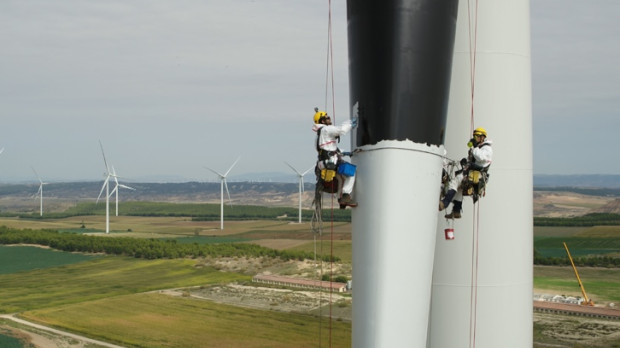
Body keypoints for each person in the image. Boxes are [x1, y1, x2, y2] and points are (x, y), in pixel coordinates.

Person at [312, 108, 358, 207]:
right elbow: (341, 130)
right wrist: (351, 122)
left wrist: (343, 152)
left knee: (340, 178)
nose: (330, 119)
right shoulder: (326, 129)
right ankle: (345, 196)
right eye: (327, 118)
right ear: (323, 121)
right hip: (330, 162)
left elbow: (327, 149)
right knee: (351, 173)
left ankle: (340, 200)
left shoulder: (319, 135)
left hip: (324, 163)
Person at [444, 127, 493, 219]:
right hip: (472, 172)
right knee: (458, 188)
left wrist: (474, 147)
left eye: (476, 136)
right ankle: (456, 211)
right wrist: (465, 161)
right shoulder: (478, 148)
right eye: (474, 136)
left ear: (482, 137)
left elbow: (480, 158)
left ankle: (445, 202)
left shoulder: (487, 148)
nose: (474, 138)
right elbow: (473, 159)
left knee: (454, 182)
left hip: (477, 175)